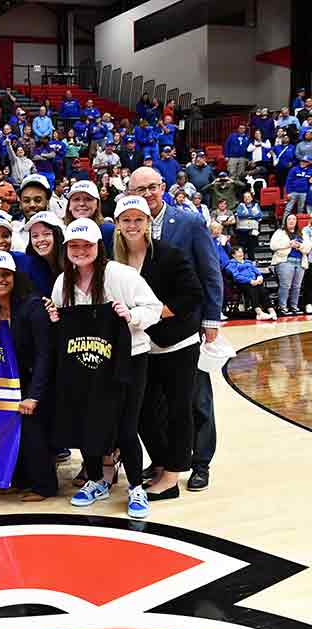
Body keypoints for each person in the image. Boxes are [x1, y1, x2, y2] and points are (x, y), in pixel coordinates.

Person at [47, 218, 162, 519]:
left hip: (130, 359)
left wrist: (131, 315)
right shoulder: (63, 282)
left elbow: (154, 308)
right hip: (86, 361)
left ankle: (136, 487)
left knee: (126, 426)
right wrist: (55, 319)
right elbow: (62, 324)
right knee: (88, 420)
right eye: (74, 245)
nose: (80, 251)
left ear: (98, 246)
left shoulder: (120, 275)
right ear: (66, 249)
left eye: (87, 245)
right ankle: (97, 480)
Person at [128, 167, 222, 492]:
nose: (147, 193)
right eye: (139, 189)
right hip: (148, 336)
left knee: (195, 399)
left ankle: (200, 463)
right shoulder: (126, 231)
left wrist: (211, 319)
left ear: (163, 187)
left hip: (185, 328)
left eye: (152, 187)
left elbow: (210, 273)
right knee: (156, 403)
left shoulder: (189, 222)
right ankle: (164, 460)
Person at [113, 195, 204, 503]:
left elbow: (192, 294)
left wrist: (156, 312)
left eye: (139, 219)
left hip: (177, 343)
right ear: (117, 224)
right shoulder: (115, 261)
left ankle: (171, 478)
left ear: (148, 222)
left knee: (179, 409)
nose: (133, 225)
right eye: (127, 220)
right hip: (141, 347)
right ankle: (163, 462)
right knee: (143, 411)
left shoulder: (169, 254)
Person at [0, 250, 57, 500]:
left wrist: (34, 396)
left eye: (6, 274)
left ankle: (44, 486)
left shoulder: (34, 306)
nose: (0, 280)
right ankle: (20, 479)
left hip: (35, 384)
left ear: (16, 277)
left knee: (33, 434)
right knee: (10, 433)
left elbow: (44, 355)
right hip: (9, 384)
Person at [270, 212, 311, 316]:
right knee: (285, 285)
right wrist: (289, 244)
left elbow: (307, 248)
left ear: (296, 222)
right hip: (285, 262)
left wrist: (298, 246)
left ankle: (294, 307)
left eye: (294, 219)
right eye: (289, 219)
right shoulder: (280, 232)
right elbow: (273, 245)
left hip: (300, 262)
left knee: (297, 286)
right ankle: (283, 307)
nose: (292, 221)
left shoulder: (302, 233)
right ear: (285, 221)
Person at [227, 246, 277, 320]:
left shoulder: (248, 262)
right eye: (239, 252)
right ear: (233, 255)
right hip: (242, 283)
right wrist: (250, 281)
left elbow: (257, 272)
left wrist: (260, 277)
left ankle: (271, 310)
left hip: (255, 281)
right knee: (252, 288)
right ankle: (259, 312)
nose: (241, 254)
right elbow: (237, 276)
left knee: (262, 289)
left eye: (242, 252)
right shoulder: (231, 264)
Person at [64, 179, 114, 254]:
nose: (81, 204)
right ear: (69, 206)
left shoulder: (110, 231)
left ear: (97, 204)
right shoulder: (62, 232)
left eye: (88, 199)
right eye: (76, 199)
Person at [234, 191, 263, 261]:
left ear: (252, 198)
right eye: (245, 197)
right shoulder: (240, 205)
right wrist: (253, 216)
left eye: (248, 196)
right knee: (242, 248)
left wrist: (247, 215)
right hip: (242, 230)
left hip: (253, 230)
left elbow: (260, 215)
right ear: (243, 199)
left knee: (251, 248)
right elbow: (240, 215)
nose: (247, 198)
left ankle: (251, 262)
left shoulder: (256, 205)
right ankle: (241, 261)